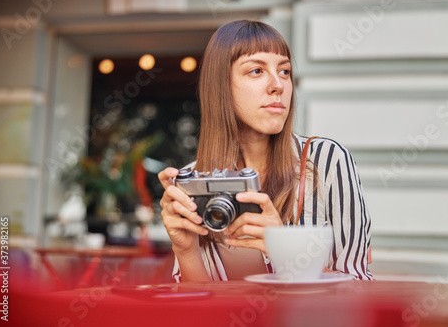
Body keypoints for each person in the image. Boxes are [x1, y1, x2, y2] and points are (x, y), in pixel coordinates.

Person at [158, 20, 373, 282]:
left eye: (284, 71)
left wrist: (286, 250)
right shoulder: (193, 179)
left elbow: (360, 289)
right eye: (257, 70)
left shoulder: (327, 160)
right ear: (220, 86)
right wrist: (186, 250)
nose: (278, 85)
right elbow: (199, 311)